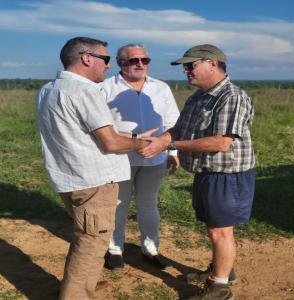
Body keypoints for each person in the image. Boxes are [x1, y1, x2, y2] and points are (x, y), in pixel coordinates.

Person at [36, 37, 151, 300]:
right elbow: (110, 142)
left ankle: (80, 287)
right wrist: (141, 142)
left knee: (84, 237)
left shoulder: (48, 89)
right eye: (106, 59)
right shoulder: (85, 91)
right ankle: (76, 294)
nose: (109, 66)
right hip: (93, 182)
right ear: (87, 58)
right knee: (91, 244)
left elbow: (75, 132)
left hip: (69, 177)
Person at [140, 44, 255, 300]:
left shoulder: (231, 96)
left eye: (190, 65)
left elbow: (220, 143)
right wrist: (160, 139)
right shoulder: (199, 96)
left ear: (212, 63)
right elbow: (179, 129)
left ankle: (220, 288)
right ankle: (222, 271)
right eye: (185, 66)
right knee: (213, 227)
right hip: (207, 172)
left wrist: (167, 144)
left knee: (220, 231)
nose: (186, 71)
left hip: (227, 174)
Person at [100, 43, 180, 270]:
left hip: (155, 158)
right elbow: (99, 125)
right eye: (133, 60)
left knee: (148, 204)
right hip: (119, 157)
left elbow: (173, 121)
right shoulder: (105, 88)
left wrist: (172, 149)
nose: (140, 64)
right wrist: (132, 140)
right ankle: (115, 250)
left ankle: (150, 249)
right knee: (118, 204)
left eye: (144, 60)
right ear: (120, 63)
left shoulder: (161, 88)